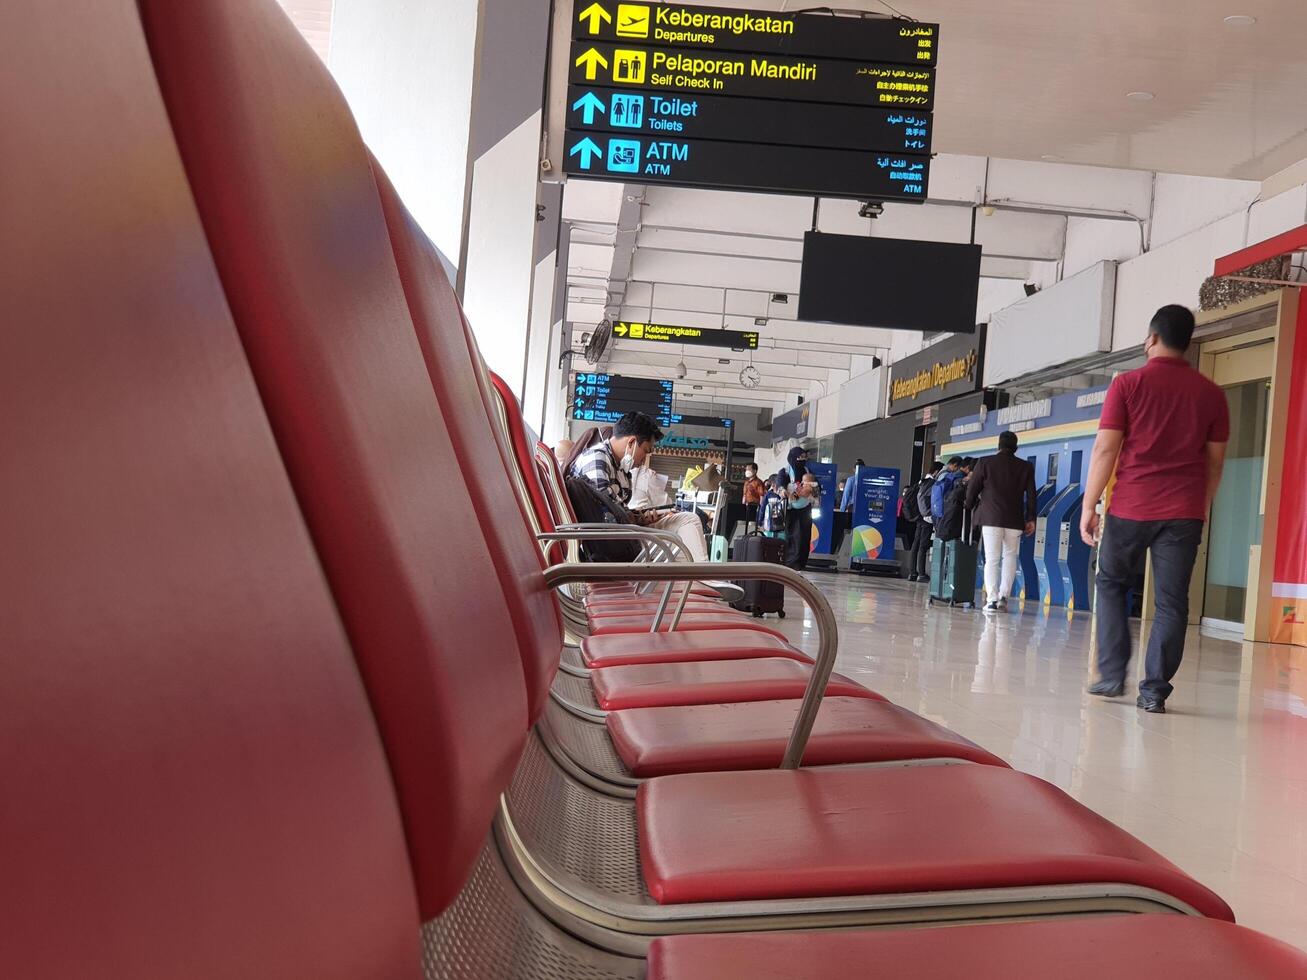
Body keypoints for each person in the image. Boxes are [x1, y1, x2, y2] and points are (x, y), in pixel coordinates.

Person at [1082, 304, 1229, 713]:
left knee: (1111, 584)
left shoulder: (1127, 385)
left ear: (1151, 339)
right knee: (1171, 602)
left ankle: (1112, 676)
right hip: (1183, 511)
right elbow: (1215, 462)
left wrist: (1089, 505)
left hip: (1130, 505)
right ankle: (1154, 691)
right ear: (1187, 342)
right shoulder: (1212, 394)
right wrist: (1200, 505)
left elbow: (1106, 448)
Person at [569, 411, 710, 562]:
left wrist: (639, 518)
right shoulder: (597, 460)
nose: (644, 460)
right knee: (681, 546)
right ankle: (702, 579)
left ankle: (702, 577)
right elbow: (606, 518)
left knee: (688, 519)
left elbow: (613, 510)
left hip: (626, 533)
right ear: (631, 443)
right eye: (645, 451)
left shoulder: (619, 468)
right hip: (618, 542)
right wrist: (632, 519)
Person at [967, 431, 1038, 613]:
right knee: (1010, 556)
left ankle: (991, 599)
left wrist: (969, 504)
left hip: (991, 518)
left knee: (991, 559)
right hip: (1014, 519)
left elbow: (972, 489)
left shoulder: (985, 462)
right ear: (1016, 447)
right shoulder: (1026, 467)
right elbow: (1031, 495)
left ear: (998, 445)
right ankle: (1004, 598)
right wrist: (1031, 518)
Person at [783, 446, 817, 570]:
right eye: (800, 457)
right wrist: (786, 492)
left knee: (804, 536)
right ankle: (790, 561)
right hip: (791, 510)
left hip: (805, 510)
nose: (802, 459)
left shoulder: (808, 471)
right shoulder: (785, 471)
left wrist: (808, 489)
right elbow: (781, 485)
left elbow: (816, 488)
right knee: (792, 535)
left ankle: (800, 562)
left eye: (804, 457)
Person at [909, 461, 944, 581]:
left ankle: (913, 572)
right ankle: (921, 574)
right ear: (936, 471)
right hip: (926, 518)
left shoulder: (921, 481)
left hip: (918, 516)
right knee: (923, 546)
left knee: (916, 544)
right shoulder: (932, 483)